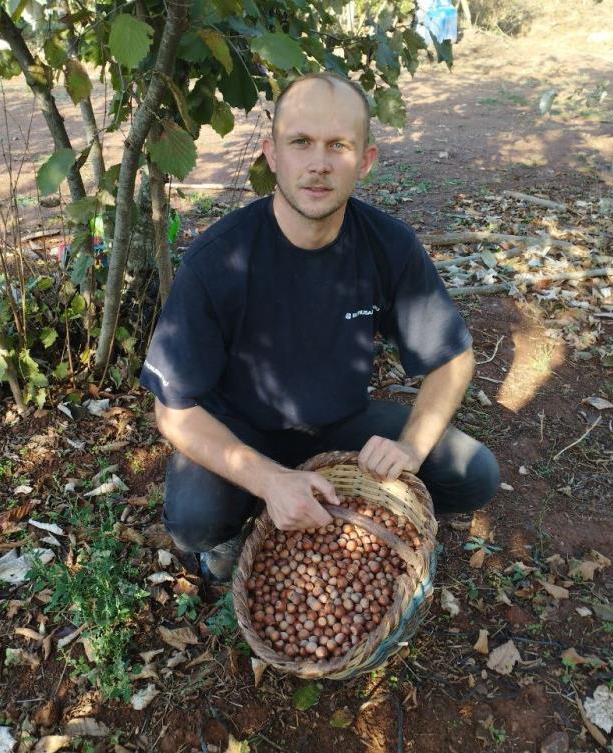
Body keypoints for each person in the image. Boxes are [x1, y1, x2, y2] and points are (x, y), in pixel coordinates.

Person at [140, 72, 500, 582]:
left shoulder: (388, 246)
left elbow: (451, 358)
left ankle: (376, 527)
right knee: (195, 521)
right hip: (243, 431)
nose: (319, 163)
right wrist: (269, 481)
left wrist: (411, 446)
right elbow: (173, 411)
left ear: (365, 161)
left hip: (342, 427)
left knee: (475, 474)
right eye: (301, 142)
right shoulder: (218, 262)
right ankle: (236, 539)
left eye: (339, 146)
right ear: (271, 154)